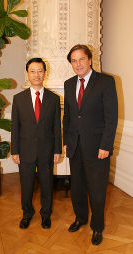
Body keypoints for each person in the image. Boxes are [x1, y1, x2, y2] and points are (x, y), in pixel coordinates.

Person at [63, 45, 118, 245]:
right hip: (75, 146)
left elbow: (112, 118)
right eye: (74, 60)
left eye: (81, 59)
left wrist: (106, 145)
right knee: (77, 187)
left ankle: (97, 227)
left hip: (97, 148)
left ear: (90, 60)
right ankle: (80, 218)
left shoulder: (105, 81)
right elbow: (68, 116)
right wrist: (66, 141)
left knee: (97, 190)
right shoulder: (68, 84)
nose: (78, 64)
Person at [11, 58, 62, 229]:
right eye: (33, 71)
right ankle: (27, 214)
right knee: (26, 186)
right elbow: (15, 127)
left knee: (47, 185)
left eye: (40, 70)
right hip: (25, 151)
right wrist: (14, 151)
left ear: (45, 73)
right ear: (27, 73)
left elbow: (57, 127)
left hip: (47, 150)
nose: (36, 74)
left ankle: (46, 215)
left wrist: (57, 150)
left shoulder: (54, 99)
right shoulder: (18, 99)